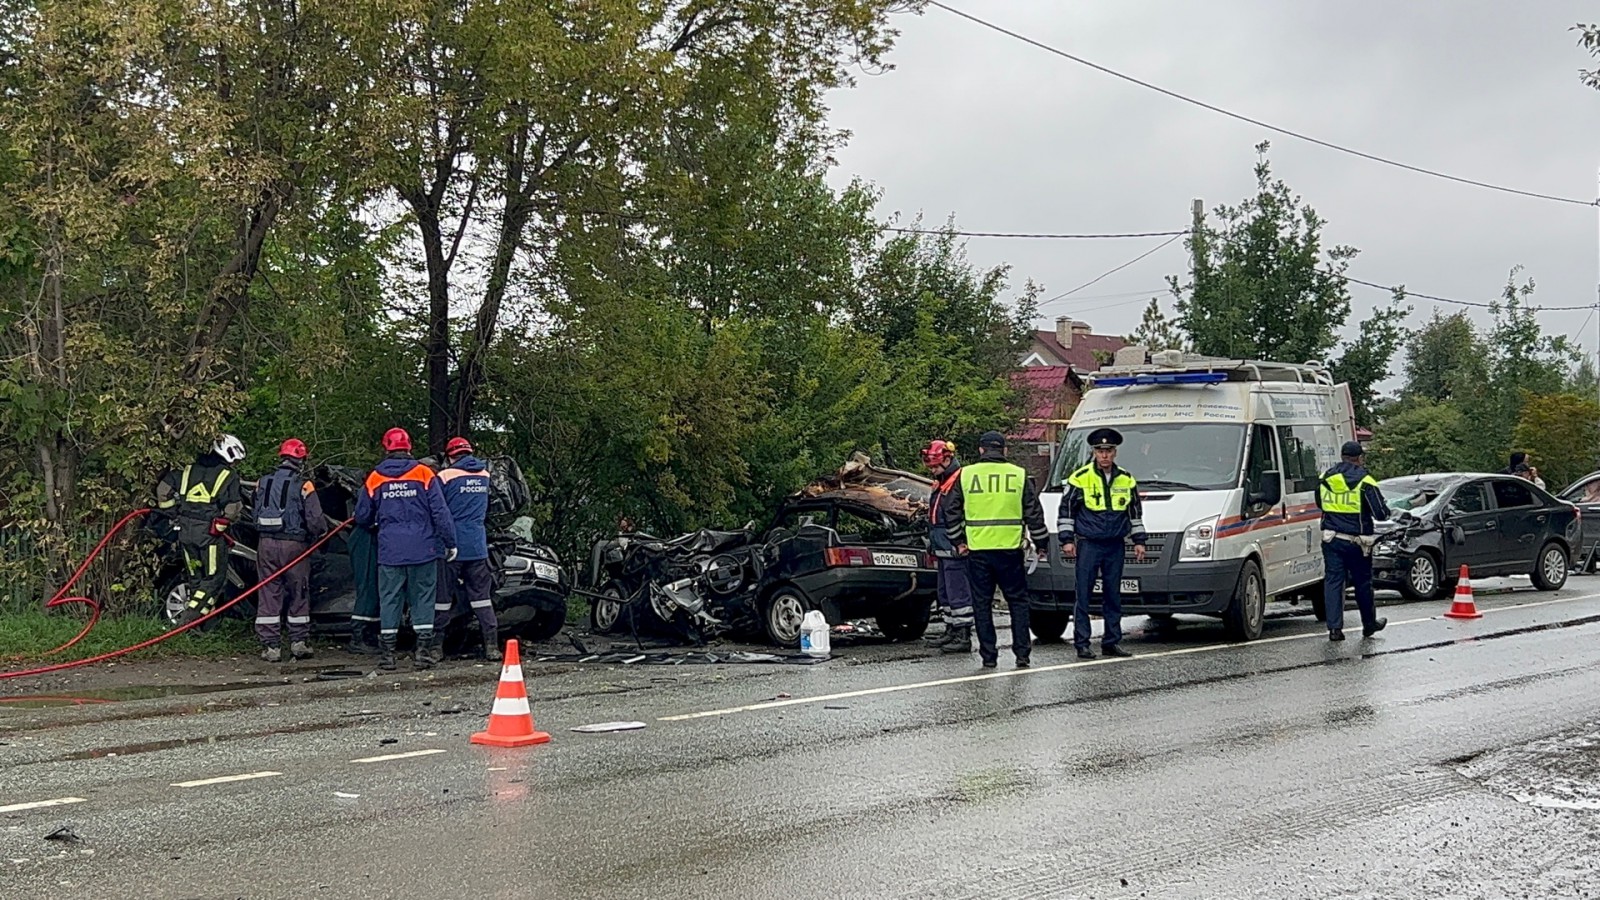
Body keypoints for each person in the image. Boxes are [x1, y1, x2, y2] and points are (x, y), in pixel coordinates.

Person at [943, 431, 1050, 669]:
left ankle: (989, 657)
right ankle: (1022, 655)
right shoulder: (1018, 475)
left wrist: (958, 541)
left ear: (981, 450)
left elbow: (950, 511)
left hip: (977, 550)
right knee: (1018, 602)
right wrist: (1042, 544)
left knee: (982, 604)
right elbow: (1034, 513)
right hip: (1009, 550)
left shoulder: (966, 475)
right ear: (1004, 450)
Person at [354, 427, 458, 670]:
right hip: (424, 549)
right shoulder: (424, 473)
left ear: (386, 447)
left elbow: (362, 516)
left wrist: (376, 522)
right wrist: (450, 542)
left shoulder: (375, 477)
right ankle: (422, 653)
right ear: (409, 446)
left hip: (390, 551)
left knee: (390, 599)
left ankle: (387, 655)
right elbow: (441, 513)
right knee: (423, 598)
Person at [1058, 428, 1147, 660]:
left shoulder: (1126, 479)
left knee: (1112, 595)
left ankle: (1111, 642)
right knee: (1084, 595)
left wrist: (1139, 541)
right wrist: (1067, 540)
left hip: (1115, 544)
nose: (1104, 455)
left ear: (1115, 452)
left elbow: (1135, 513)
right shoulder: (1080, 477)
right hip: (1089, 544)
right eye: (1100, 451)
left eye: (1108, 451)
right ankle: (1083, 644)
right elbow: (1066, 510)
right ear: (1094, 452)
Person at [155, 435, 246, 627]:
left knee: (196, 577)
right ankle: (189, 618)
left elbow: (163, 491)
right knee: (214, 578)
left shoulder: (187, 470)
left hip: (185, 532)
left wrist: (173, 513)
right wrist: (224, 521)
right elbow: (233, 508)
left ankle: (201, 626)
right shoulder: (228, 476)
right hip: (209, 535)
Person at [251, 438, 328, 662]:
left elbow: (255, 509)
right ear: (301, 460)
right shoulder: (304, 484)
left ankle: (271, 647)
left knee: (268, 592)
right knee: (299, 591)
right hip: (294, 546)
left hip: (265, 544)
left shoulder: (262, 482)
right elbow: (316, 520)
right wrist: (320, 536)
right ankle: (298, 642)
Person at [432, 437, 502, 662]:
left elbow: (437, 510)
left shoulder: (444, 476)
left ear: (450, 455)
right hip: (477, 545)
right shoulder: (485, 475)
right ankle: (492, 646)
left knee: (442, 597)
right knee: (481, 597)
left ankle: (435, 647)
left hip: (451, 545)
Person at [1317, 440, 1391, 642]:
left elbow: (1319, 503)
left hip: (1331, 539)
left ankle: (1334, 629)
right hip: (1358, 542)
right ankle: (1369, 625)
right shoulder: (1365, 481)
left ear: (1342, 456)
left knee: (1333, 581)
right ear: (1359, 458)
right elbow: (1381, 513)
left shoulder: (1325, 478)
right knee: (1362, 583)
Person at [921, 439, 973, 654]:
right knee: (945, 592)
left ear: (948, 458)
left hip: (954, 545)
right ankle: (951, 629)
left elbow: (959, 513)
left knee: (958, 591)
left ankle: (963, 634)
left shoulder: (959, 479)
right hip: (942, 544)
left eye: (935, 465)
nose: (932, 470)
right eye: (930, 466)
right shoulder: (942, 480)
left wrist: (960, 541)